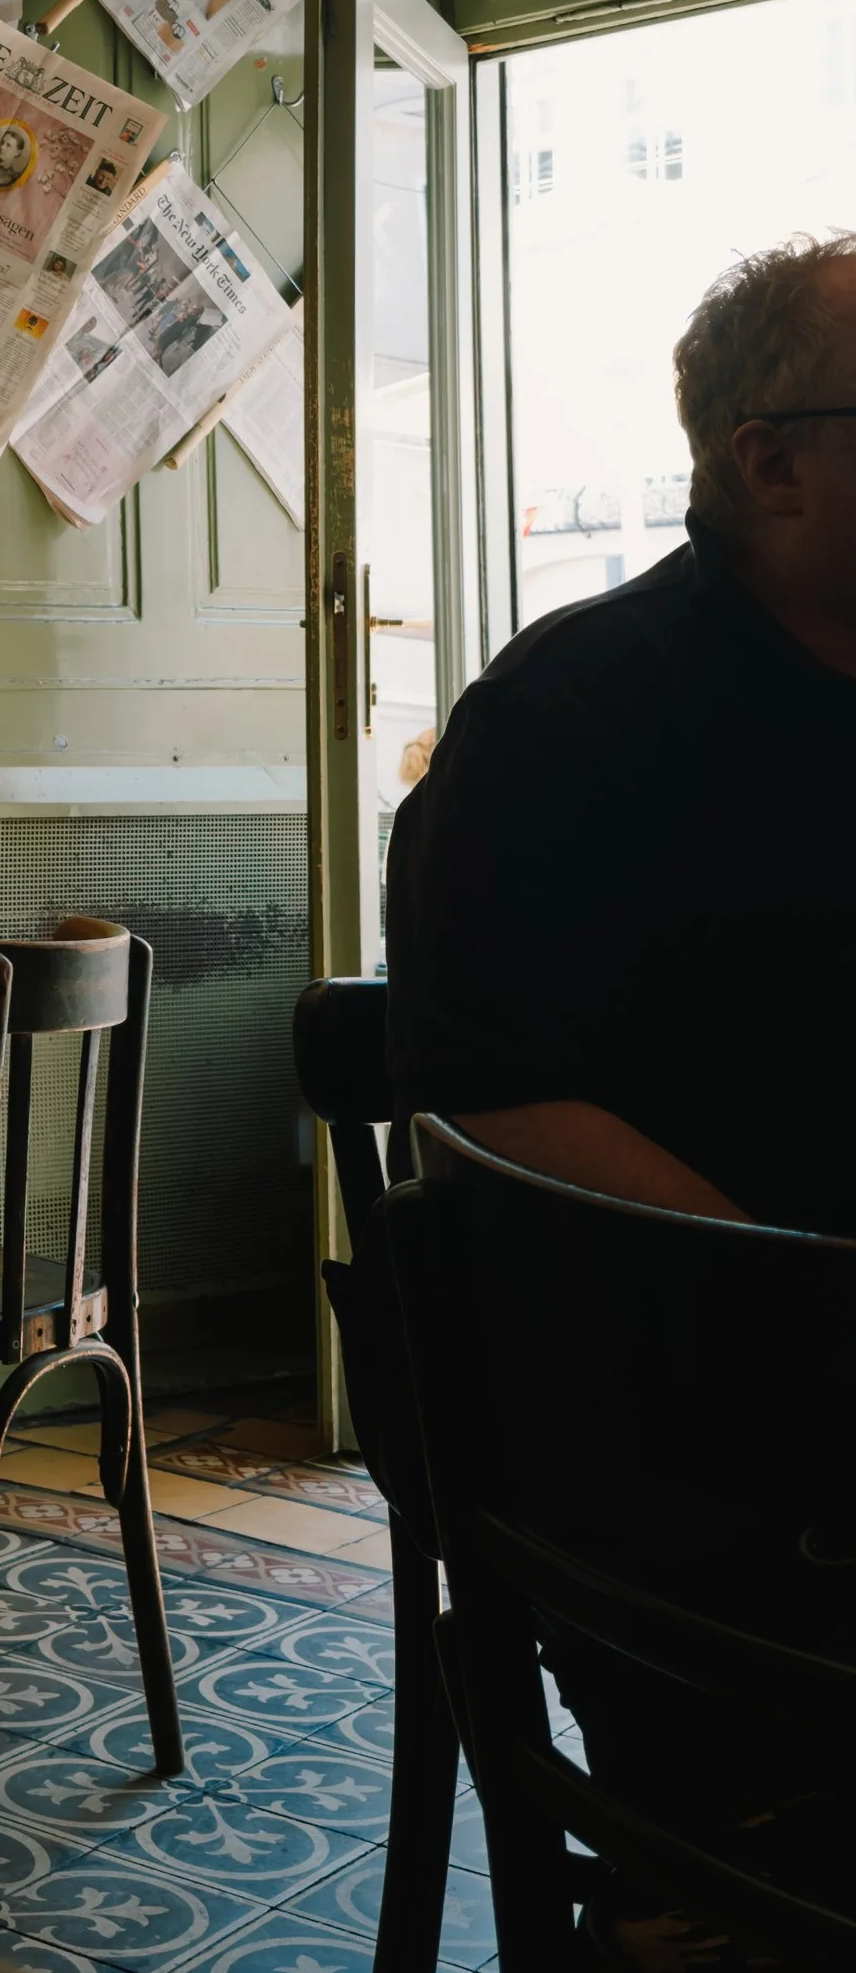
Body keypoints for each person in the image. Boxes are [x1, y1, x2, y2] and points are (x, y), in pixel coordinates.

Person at [386, 226, 856, 1235]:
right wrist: (807, 1299)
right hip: (709, 1351)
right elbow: (498, 1105)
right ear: (773, 466)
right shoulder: (566, 713)